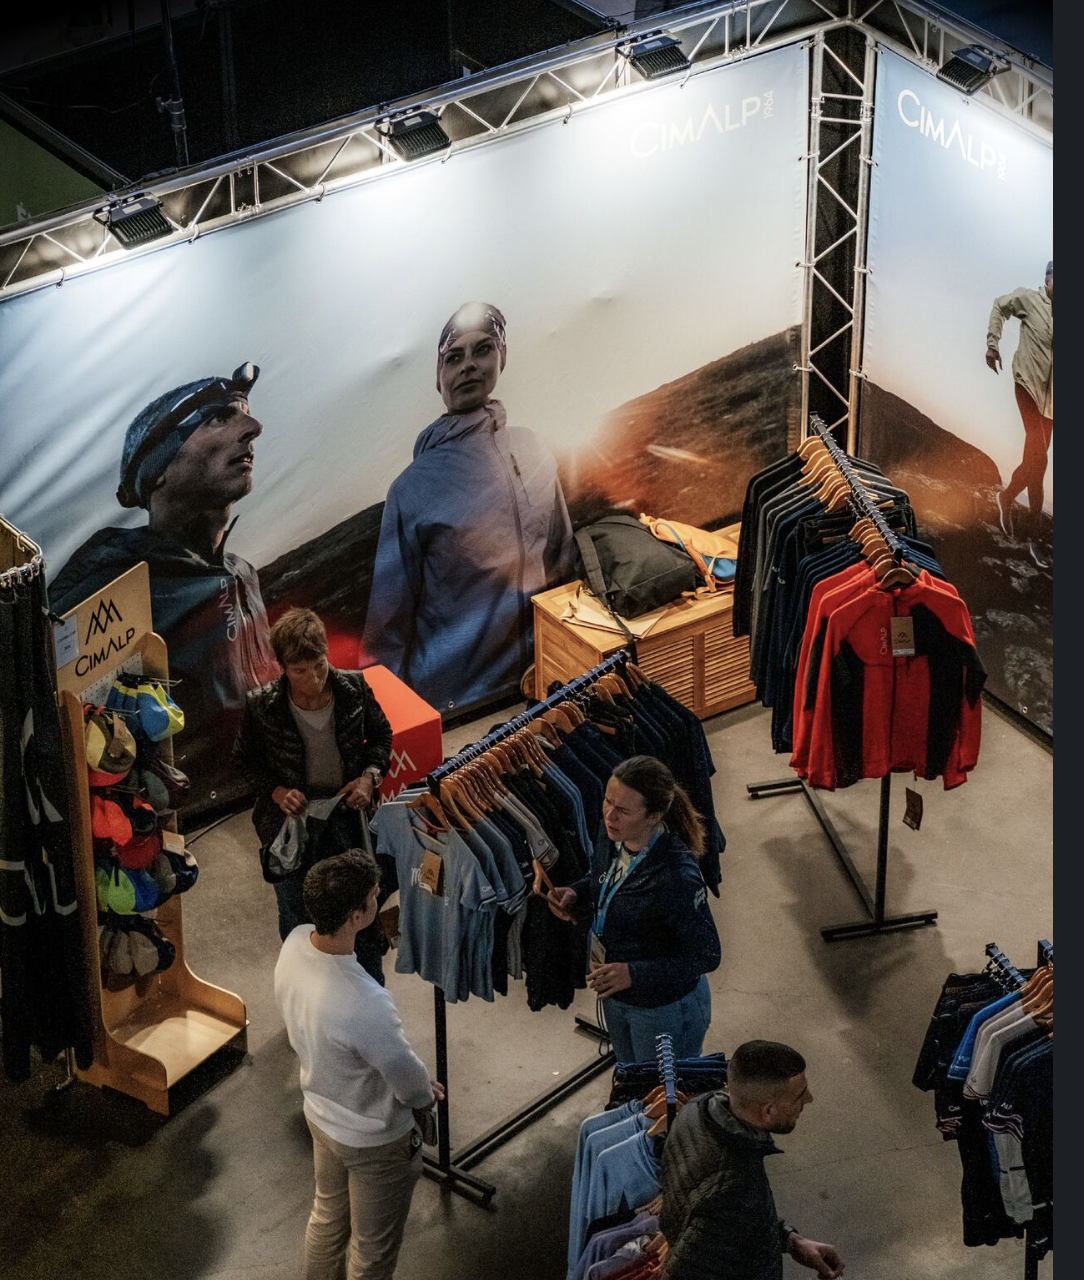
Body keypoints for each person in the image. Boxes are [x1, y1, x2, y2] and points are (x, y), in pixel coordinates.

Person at [50, 362, 280, 818]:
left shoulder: (242, 573)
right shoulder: (112, 584)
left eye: (245, 415)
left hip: (264, 798)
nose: (253, 429)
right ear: (158, 470)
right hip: (176, 829)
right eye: (218, 418)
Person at [363, 302, 574, 716]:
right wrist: (390, 732)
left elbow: (565, 563)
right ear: (438, 377)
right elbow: (386, 632)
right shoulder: (410, 490)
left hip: (543, 683)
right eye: (454, 358)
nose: (469, 367)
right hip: (455, 707)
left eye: (483, 350)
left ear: (502, 357)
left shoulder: (532, 449)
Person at [274, 849, 443, 1280]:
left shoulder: (294, 944)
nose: (379, 900)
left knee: (327, 1221)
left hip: (320, 1114)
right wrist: (425, 1091)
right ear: (355, 916)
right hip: (374, 1138)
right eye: (373, 897)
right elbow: (406, 1079)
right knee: (372, 1251)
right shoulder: (363, 1001)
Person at [234, 607, 393, 982]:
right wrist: (277, 792)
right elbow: (243, 762)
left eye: (319, 666)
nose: (314, 679)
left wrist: (369, 777)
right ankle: (304, 997)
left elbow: (381, 737)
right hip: (294, 826)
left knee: (362, 910)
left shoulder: (353, 688)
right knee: (296, 917)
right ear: (283, 669)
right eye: (300, 671)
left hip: (348, 818)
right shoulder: (262, 706)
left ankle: (372, 994)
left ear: (327, 655)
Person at [547, 755, 720, 1065]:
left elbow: (707, 954)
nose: (609, 816)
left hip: (662, 1009)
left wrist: (634, 973)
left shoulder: (677, 877)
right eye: (607, 801)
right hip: (617, 995)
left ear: (653, 815)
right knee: (632, 1080)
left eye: (623, 810)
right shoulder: (615, 833)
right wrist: (577, 891)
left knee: (659, 1100)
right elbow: (607, 874)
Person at [659, 1040, 845, 1280]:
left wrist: (790, 1239)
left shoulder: (697, 1109)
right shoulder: (734, 1187)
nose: (809, 1099)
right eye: (800, 1095)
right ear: (767, 1111)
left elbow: (732, 1225)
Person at [986, 261, 1053, 568]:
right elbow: (1000, 306)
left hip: (1051, 404)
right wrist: (992, 344)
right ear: (1048, 279)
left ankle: (1006, 497)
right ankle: (1035, 539)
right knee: (1040, 461)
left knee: (1032, 459)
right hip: (1026, 384)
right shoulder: (1029, 298)